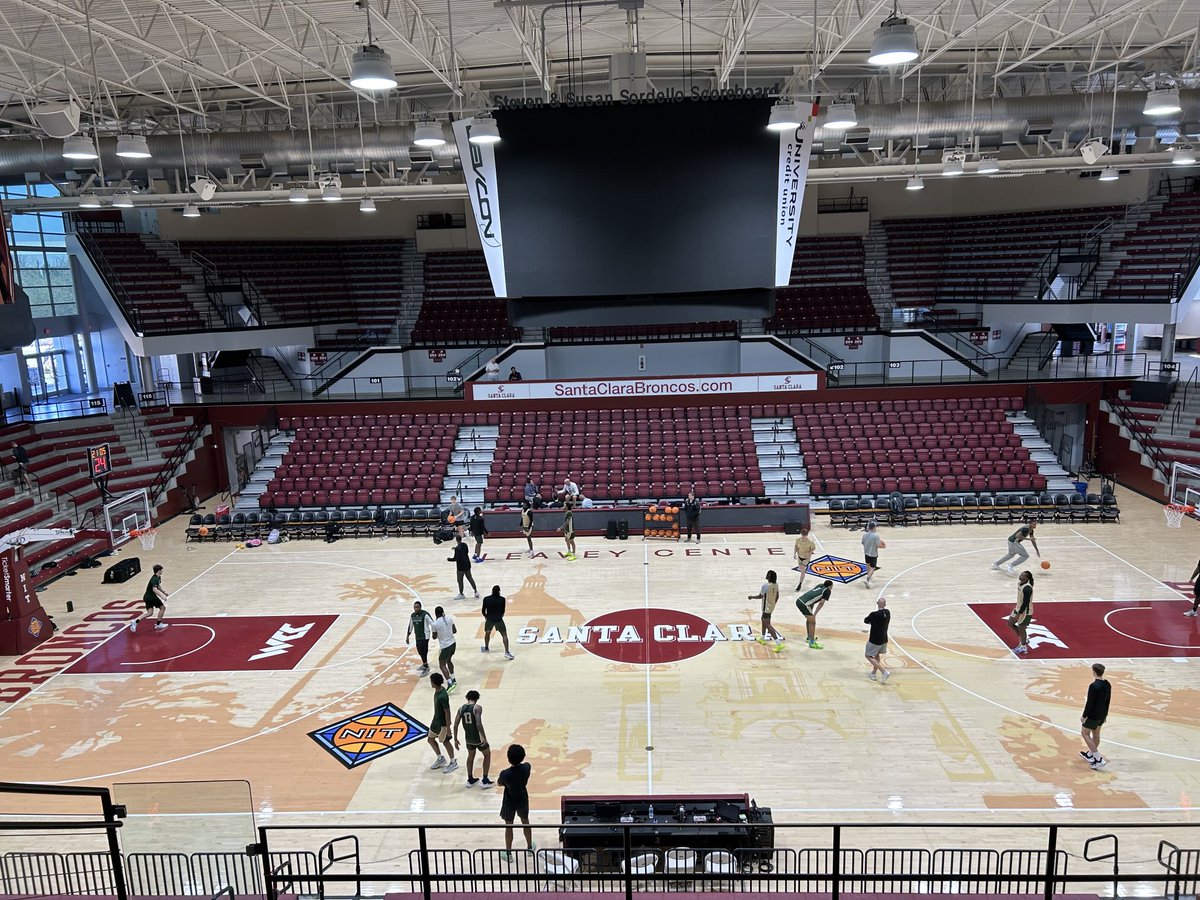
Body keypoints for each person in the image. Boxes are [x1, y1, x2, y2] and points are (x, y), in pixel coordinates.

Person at [498, 743, 535, 861]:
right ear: (523, 756)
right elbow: (527, 765)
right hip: (522, 799)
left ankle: (509, 854)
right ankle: (529, 848)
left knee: (509, 825)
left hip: (509, 802)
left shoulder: (505, 774)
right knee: (525, 821)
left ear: (508, 758)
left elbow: (499, 783)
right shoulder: (526, 768)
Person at [453, 689, 493, 787]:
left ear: (467, 698)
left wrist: (455, 739)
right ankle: (485, 780)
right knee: (487, 755)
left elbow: (455, 725)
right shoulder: (477, 708)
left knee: (470, 757)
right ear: (477, 698)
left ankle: (470, 779)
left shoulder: (461, 708)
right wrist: (484, 737)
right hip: (478, 738)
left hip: (468, 739)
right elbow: (478, 724)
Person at [1079, 663, 1111, 770]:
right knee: (1096, 734)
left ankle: (1098, 759)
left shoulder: (1093, 686)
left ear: (1094, 672)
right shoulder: (1107, 684)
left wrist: (1084, 716)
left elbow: (1090, 703)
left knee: (1085, 733)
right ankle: (1089, 755)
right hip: (1102, 714)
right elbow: (1107, 701)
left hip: (1093, 715)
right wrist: (1105, 713)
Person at [426, 672, 458, 773]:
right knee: (430, 739)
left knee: (445, 741)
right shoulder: (437, 691)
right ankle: (441, 759)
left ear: (434, 683)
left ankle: (453, 762)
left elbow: (447, 711)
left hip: (442, 724)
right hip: (435, 721)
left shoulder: (442, 696)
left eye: (431, 681)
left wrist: (448, 726)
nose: (430, 683)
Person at [749, 569, 784, 651]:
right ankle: (762, 637)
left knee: (768, 624)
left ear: (768, 577)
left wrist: (751, 597)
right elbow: (777, 596)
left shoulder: (765, 586)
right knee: (763, 620)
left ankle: (778, 643)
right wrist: (773, 604)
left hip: (766, 608)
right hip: (771, 606)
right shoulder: (776, 585)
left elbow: (760, 596)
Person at [129, 564, 169, 633]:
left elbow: (158, 585)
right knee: (162, 608)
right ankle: (158, 624)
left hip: (147, 597)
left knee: (149, 613)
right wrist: (162, 596)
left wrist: (163, 591)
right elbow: (154, 589)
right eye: (162, 570)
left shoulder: (158, 577)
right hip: (151, 597)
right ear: (159, 571)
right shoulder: (154, 579)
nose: (162, 571)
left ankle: (135, 621)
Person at [796, 580, 833, 650]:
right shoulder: (827, 591)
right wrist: (815, 614)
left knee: (810, 620)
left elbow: (812, 597)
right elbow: (821, 603)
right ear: (830, 586)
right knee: (813, 622)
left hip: (800, 600)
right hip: (804, 604)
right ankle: (812, 643)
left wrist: (811, 613)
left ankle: (809, 637)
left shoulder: (820, 585)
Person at [481, 585, 515, 659]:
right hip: (499, 619)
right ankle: (507, 652)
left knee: (487, 633)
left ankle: (486, 648)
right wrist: (500, 616)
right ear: (499, 591)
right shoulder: (502, 599)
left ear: (492, 591)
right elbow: (503, 611)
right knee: (504, 635)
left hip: (489, 619)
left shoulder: (486, 599)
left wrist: (486, 616)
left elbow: (483, 610)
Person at [1006, 570, 1035, 654]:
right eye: (1021, 574)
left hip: (1026, 611)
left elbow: (1026, 603)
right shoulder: (1019, 583)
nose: (1021, 576)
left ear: (1027, 578)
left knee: (1021, 628)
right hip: (1018, 607)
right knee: (1010, 623)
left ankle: (1023, 647)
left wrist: (1019, 614)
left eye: (1023, 575)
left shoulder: (1027, 588)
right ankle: (1024, 639)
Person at [864, 596, 891, 682]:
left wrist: (872, 622)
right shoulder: (888, 612)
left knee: (868, 655)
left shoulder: (874, 614)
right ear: (885, 604)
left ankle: (884, 671)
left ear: (877, 603)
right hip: (884, 639)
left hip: (875, 640)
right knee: (877, 655)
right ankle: (873, 674)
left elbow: (866, 620)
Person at [431, 605, 458, 691]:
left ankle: (450, 683)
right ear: (443, 612)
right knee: (449, 660)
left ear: (435, 614)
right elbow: (454, 631)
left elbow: (434, 637)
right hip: (453, 643)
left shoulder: (434, 624)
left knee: (442, 664)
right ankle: (453, 678)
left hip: (445, 646)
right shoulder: (449, 619)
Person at [407, 600, 435, 676]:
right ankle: (424, 664)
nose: (416, 609)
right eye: (414, 607)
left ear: (420, 607)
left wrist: (434, 633)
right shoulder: (412, 615)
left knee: (423, 651)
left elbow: (432, 623)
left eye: (417, 607)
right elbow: (410, 626)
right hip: (418, 636)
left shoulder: (425, 614)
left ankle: (426, 667)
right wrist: (407, 636)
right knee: (419, 650)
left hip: (425, 636)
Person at [449, 534, 480, 600]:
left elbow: (455, 558)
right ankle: (476, 591)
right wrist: (455, 548)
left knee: (460, 580)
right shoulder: (465, 545)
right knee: (470, 578)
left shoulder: (457, 549)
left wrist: (449, 559)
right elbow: (465, 551)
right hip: (467, 564)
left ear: (456, 540)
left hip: (460, 566)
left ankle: (461, 594)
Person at [861, 520, 885, 588]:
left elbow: (862, 542)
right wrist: (883, 546)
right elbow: (877, 545)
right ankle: (867, 578)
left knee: (868, 565)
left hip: (866, 552)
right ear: (874, 527)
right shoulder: (876, 535)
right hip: (873, 554)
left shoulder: (865, 534)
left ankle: (868, 576)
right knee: (873, 567)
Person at [793, 525, 817, 591]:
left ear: (807, 535)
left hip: (806, 558)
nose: (803, 537)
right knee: (801, 569)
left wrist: (810, 552)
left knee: (802, 572)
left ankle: (799, 584)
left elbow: (814, 548)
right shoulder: (798, 540)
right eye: (802, 535)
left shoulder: (810, 542)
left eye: (804, 536)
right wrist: (794, 553)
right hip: (799, 556)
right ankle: (804, 570)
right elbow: (795, 546)